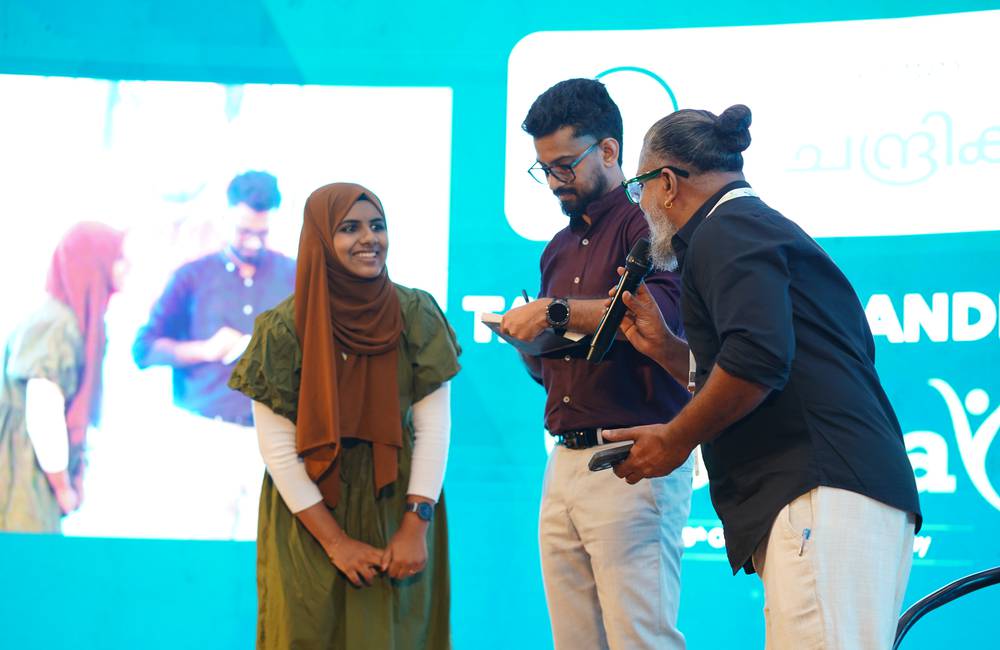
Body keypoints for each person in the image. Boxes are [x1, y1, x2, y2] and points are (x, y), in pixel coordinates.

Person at [604, 104, 921, 649]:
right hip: (838, 491)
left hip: (820, 487)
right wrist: (670, 352)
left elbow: (758, 361)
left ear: (669, 183)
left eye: (641, 188)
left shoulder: (726, 230)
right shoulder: (750, 227)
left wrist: (675, 439)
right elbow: (777, 358)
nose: (643, 205)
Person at [500, 78, 692, 649]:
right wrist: (531, 342)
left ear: (609, 150)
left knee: (641, 638)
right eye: (544, 169)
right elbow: (553, 368)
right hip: (563, 458)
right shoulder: (556, 249)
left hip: (633, 456)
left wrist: (554, 312)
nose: (554, 181)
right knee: (574, 640)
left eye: (565, 165)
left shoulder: (650, 225)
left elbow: (658, 317)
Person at [228, 182, 460, 649]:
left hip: (398, 509)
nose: (369, 238)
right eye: (349, 228)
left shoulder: (416, 313)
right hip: (310, 518)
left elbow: (433, 429)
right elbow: (278, 450)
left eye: (377, 226)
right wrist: (336, 542)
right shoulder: (281, 330)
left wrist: (415, 525)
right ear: (320, 240)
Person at [132, 170, 295, 539]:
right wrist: (203, 350)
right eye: (243, 231)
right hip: (205, 436)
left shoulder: (293, 275)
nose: (252, 242)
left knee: (267, 553)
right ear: (226, 216)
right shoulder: (192, 276)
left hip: (274, 435)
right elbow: (144, 349)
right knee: (203, 549)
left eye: (262, 233)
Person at [0, 222, 126, 532]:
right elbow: (43, 414)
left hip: (27, 474)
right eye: (118, 258)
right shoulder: (56, 323)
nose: (125, 267)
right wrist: (62, 486)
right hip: (20, 475)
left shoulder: (68, 321)